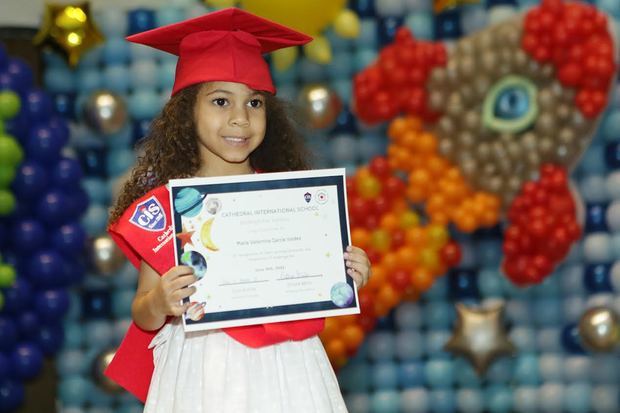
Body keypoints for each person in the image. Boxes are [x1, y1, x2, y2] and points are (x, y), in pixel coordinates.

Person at [106, 8, 371, 413]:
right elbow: (143, 311)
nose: (239, 119)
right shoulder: (166, 209)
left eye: (255, 103)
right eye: (219, 101)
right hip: (202, 367)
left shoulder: (289, 200)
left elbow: (314, 281)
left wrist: (346, 271)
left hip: (289, 365)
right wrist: (160, 301)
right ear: (186, 112)